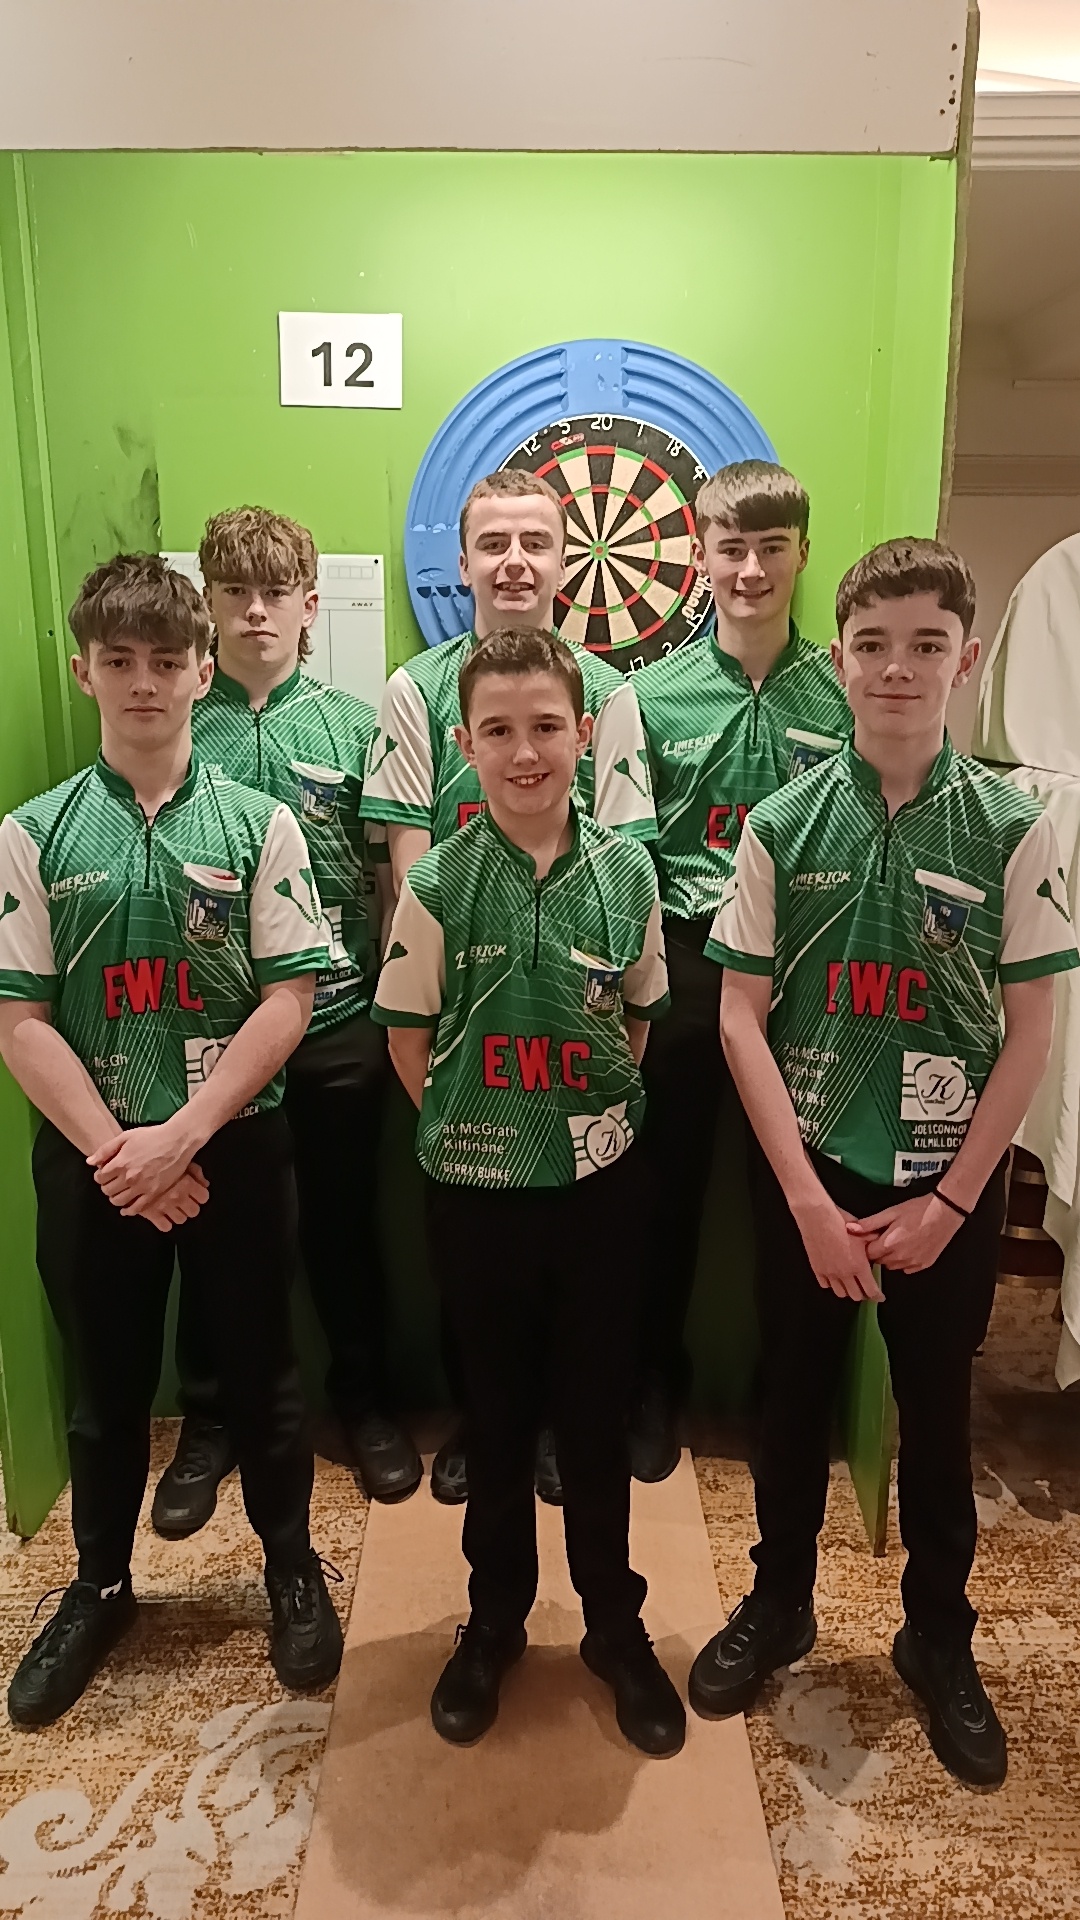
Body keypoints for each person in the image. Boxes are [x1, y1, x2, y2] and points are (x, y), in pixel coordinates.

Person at [688, 537, 1078, 1789]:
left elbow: (1032, 1033)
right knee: (791, 1404)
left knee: (937, 1417)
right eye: (872, 645)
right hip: (810, 1174)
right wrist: (806, 1200)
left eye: (925, 645)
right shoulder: (782, 822)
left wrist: (955, 1204)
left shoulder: (1014, 828)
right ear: (842, 661)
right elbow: (739, 1016)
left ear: (966, 659)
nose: (897, 668)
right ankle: (779, 1603)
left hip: (945, 1184)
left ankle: (937, 1636)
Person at [0, 555, 344, 1727]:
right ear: (84, 671)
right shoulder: (33, 833)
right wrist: (124, 1156)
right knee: (103, 1389)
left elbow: (289, 999)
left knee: (264, 1374)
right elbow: (21, 1019)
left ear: (202, 671)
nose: (143, 682)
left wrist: (184, 1135)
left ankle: (291, 1568)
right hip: (93, 1157)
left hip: (233, 1147)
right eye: (120, 661)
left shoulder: (261, 824)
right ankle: (99, 1588)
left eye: (164, 660)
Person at [373, 626, 684, 1756]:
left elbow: (637, 1018)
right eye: (498, 730)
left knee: (594, 1422)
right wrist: (484, 1136)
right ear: (465, 745)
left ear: (584, 733)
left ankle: (614, 1626)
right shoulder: (436, 882)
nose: (525, 752)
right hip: (477, 1200)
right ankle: (493, 1622)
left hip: (600, 1196)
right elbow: (409, 1038)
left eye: (546, 726)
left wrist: (577, 1133)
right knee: (497, 1423)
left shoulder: (630, 873)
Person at [362, 465, 657, 1504]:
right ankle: (483, 1424)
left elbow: (622, 856)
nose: (515, 562)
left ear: (567, 560)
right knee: (470, 1245)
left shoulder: (610, 694)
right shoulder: (415, 689)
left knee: (582, 1264)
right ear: (463, 562)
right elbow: (407, 854)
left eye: (536, 541)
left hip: (575, 1010)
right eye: (495, 543)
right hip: (458, 1005)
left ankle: (561, 1431)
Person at [151, 508, 421, 1530]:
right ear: (209, 604)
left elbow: (394, 880)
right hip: (213, 1035)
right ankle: (211, 1417)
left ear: (311, 605)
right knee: (210, 1225)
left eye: (275, 593)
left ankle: (365, 1401)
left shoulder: (354, 726)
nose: (255, 612)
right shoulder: (180, 724)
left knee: (345, 1224)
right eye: (234, 593)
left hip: (338, 1021)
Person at [631, 461, 850, 1480]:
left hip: (802, 975)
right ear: (700, 557)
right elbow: (628, 856)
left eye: (771, 548)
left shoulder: (842, 691)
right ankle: (651, 1386)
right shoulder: (649, 695)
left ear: (802, 553)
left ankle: (787, 1397)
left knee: (793, 1189)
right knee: (659, 1194)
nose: (751, 570)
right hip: (684, 962)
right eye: (732, 549)